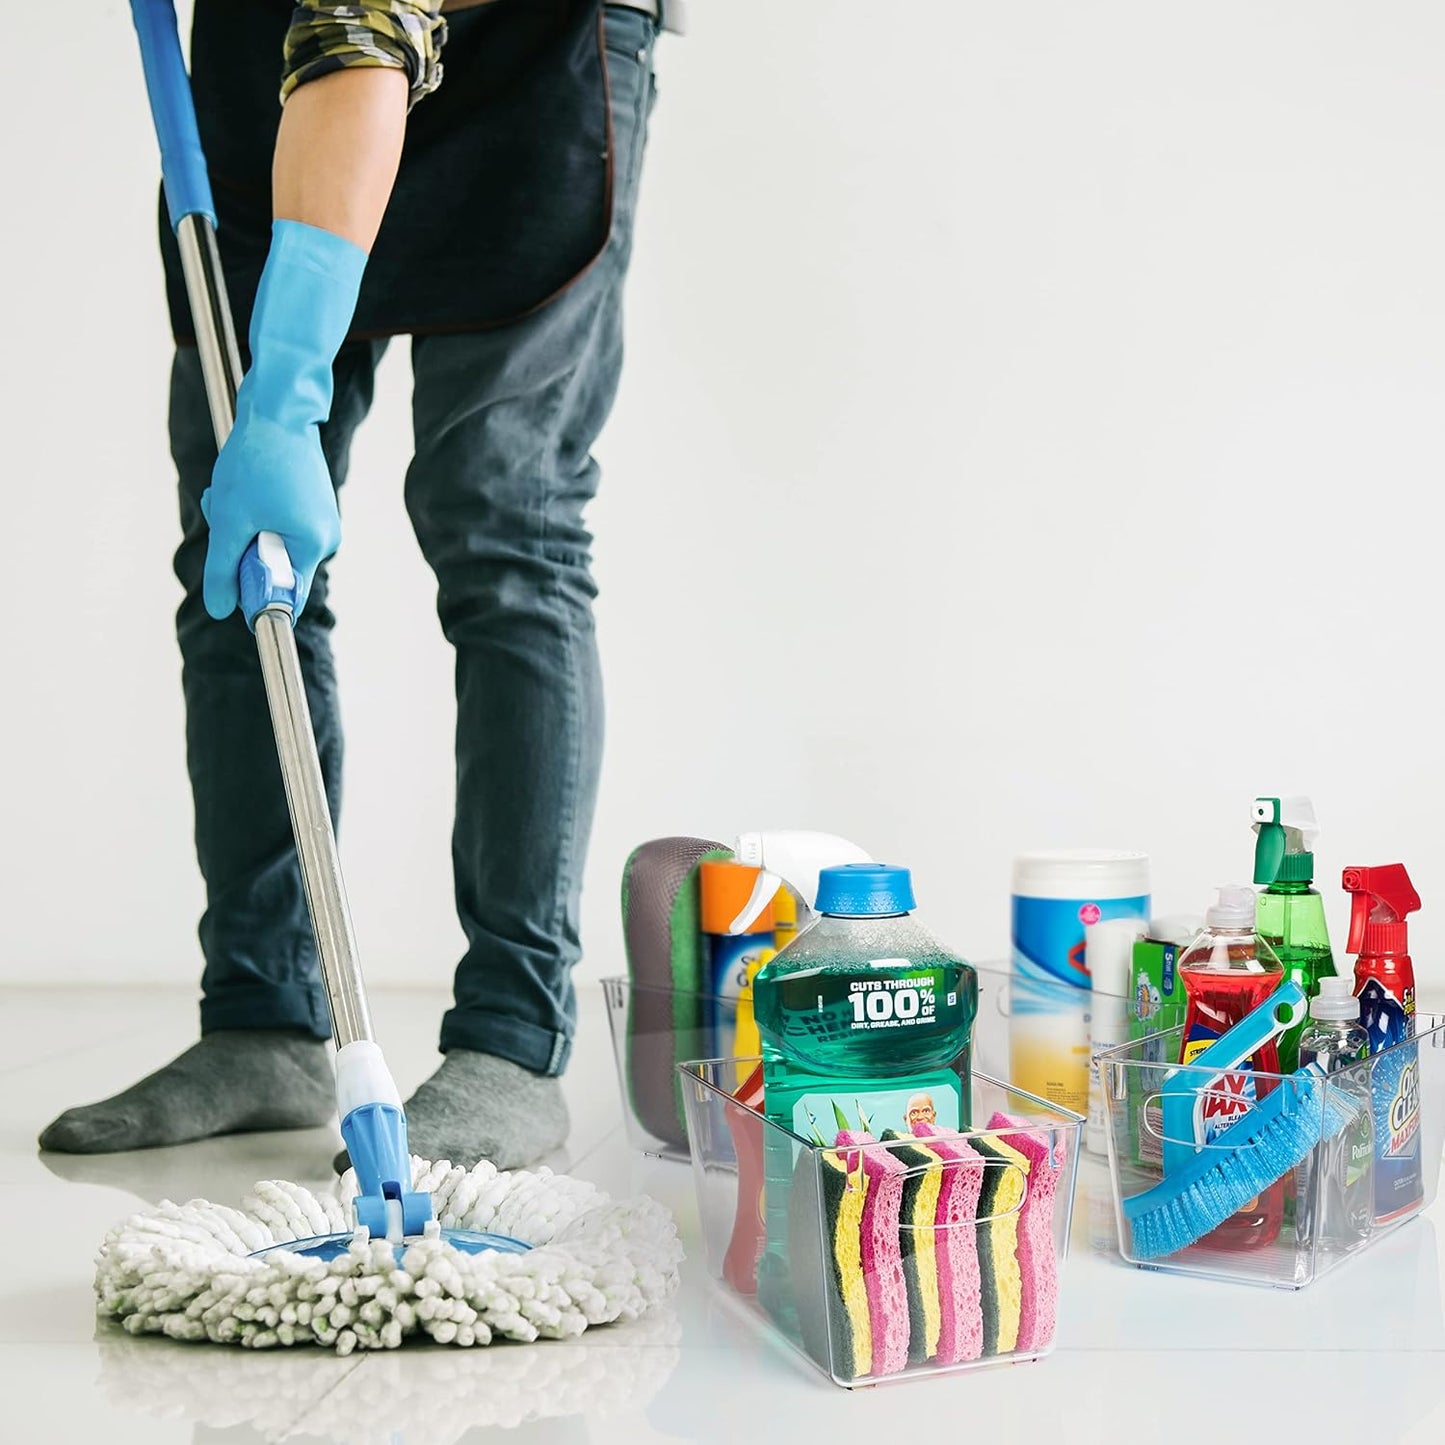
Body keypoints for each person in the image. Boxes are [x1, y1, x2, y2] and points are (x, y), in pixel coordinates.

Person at [39, 0, 668, 1171]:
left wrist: (282, 392)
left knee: (503, 515)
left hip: (531, 61)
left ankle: (511, 1038)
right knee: (240, 557)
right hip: (267, 65)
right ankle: (261, 1018)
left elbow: (362, 26)